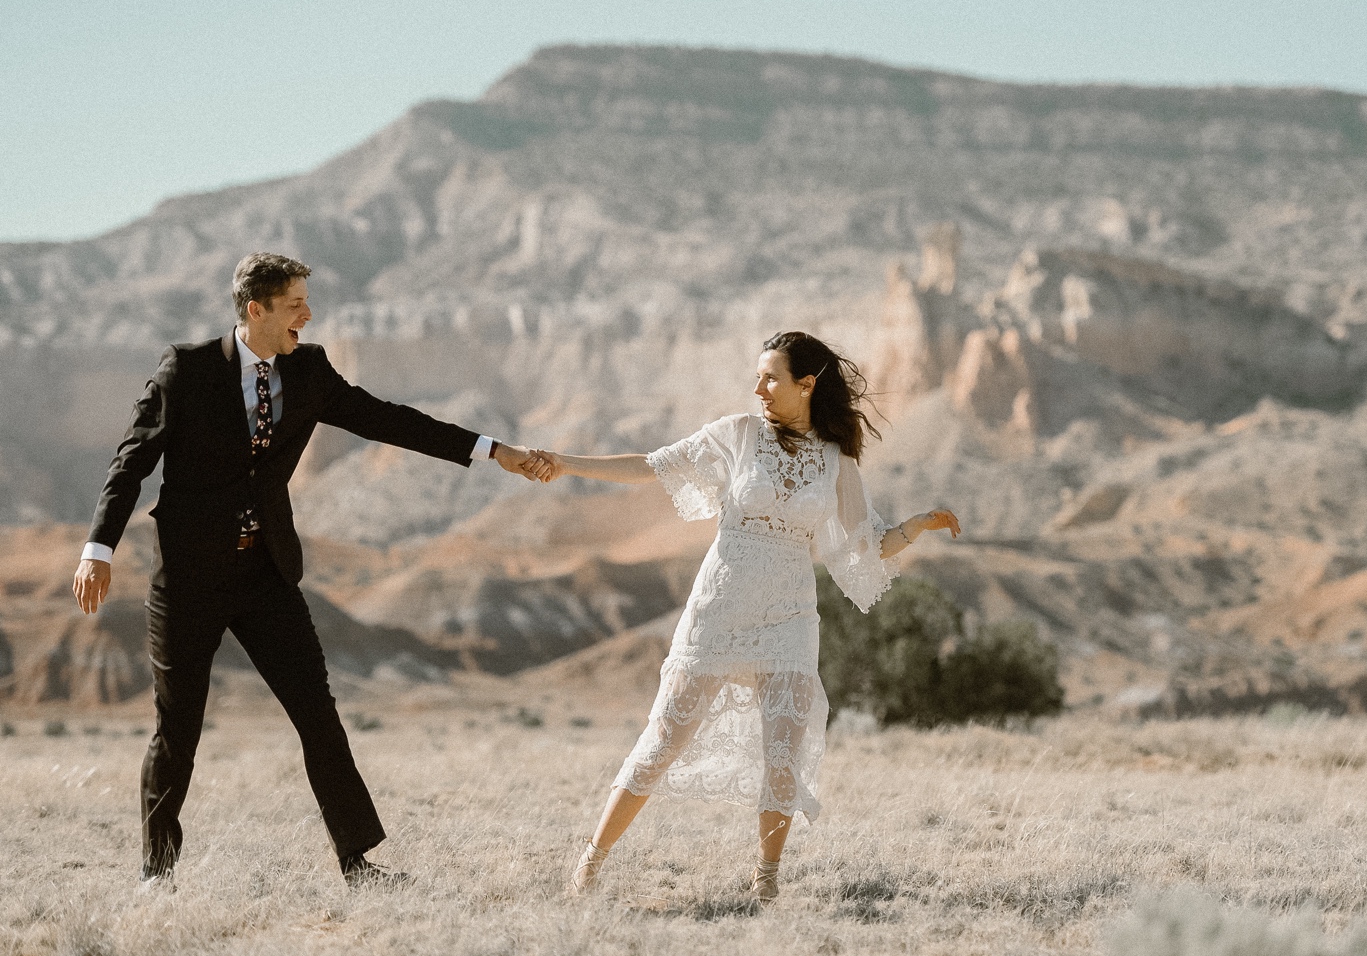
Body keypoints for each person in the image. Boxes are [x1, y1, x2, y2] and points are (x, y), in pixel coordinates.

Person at [72, 252, 541, 890]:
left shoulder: (310, 369)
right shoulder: (188, 370)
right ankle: (158, 873)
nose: (309, 316)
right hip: (188, 581)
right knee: (177, 727)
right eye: (296, 304)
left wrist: (490, 450)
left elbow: (387, 419)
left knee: (317, 714)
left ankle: (358, 865)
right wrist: (98, 548)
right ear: (255, 309)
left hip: (266, 574)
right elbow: (132, 461)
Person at [521, 331, 961, 902]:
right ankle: (591, 861)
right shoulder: (739, 435)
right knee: (663, 740)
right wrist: (565, 463)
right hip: (720, 605)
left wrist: (920, 525)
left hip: (791, 616)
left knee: (783, 755)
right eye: (758, 377)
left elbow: (866, 545)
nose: (758, 389)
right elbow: (653, 466)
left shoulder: (835, 461)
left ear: (808, 385)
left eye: (771, 377)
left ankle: (767, 883)